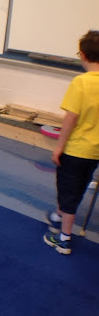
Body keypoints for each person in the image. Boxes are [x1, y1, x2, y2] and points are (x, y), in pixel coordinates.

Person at [44, 30, 99, 255]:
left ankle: (64, 239)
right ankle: (58, 215)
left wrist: (59, 147)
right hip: (95, 153)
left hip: (76, 150)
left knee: (68, 192)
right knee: (75, 188)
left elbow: (71, 118)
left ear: (83, 55)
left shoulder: (81, 82)